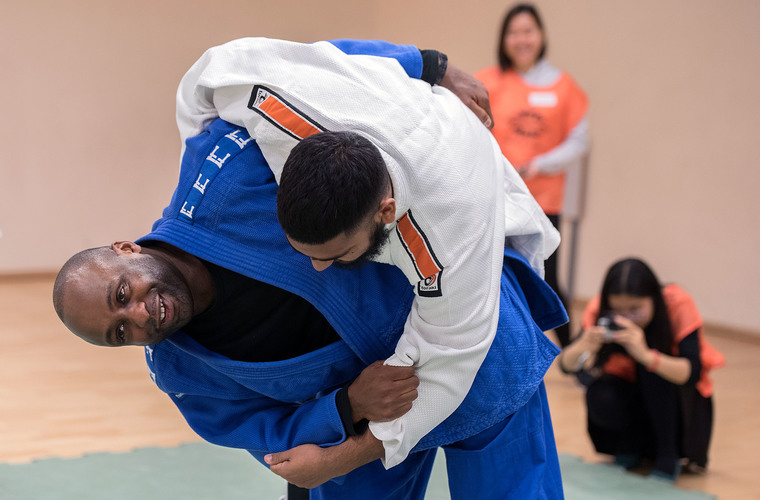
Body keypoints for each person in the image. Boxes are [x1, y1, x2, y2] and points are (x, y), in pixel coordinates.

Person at [54, 39, 567, 499]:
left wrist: (425, 66)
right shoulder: (184, 371)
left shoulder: (228, 174)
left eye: (123, 295)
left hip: (472, 351)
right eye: (121, 332)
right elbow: (273, 438)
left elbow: (302, 69)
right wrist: (346, 408)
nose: (140, 316)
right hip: (362, 416)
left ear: (125, 249)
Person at [475, 3, 590, 348]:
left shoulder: (564, 86)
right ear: (503, 38)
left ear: (541, 36)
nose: (521, 39)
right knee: (492, 270)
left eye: (528, 31)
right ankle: (503, 347)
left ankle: (572, 352)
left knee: (548, 276)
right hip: (493, 195)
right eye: (514, 32)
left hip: (543, 199)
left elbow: (579, 141)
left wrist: (540, 163)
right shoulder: (487, 81)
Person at [558, 258, 725, 481]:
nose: (626, 317)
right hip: (631, 400)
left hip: (678, 407)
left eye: (635, 309)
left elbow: (691, 372)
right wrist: (583, 344)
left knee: (652, 371)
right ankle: (628, 447)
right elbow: (566, 366)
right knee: (600, 391)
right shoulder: (601, 309)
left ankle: (668, 455)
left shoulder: (677, 303)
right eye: (618, 310)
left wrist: (646, 355)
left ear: (654, 299)